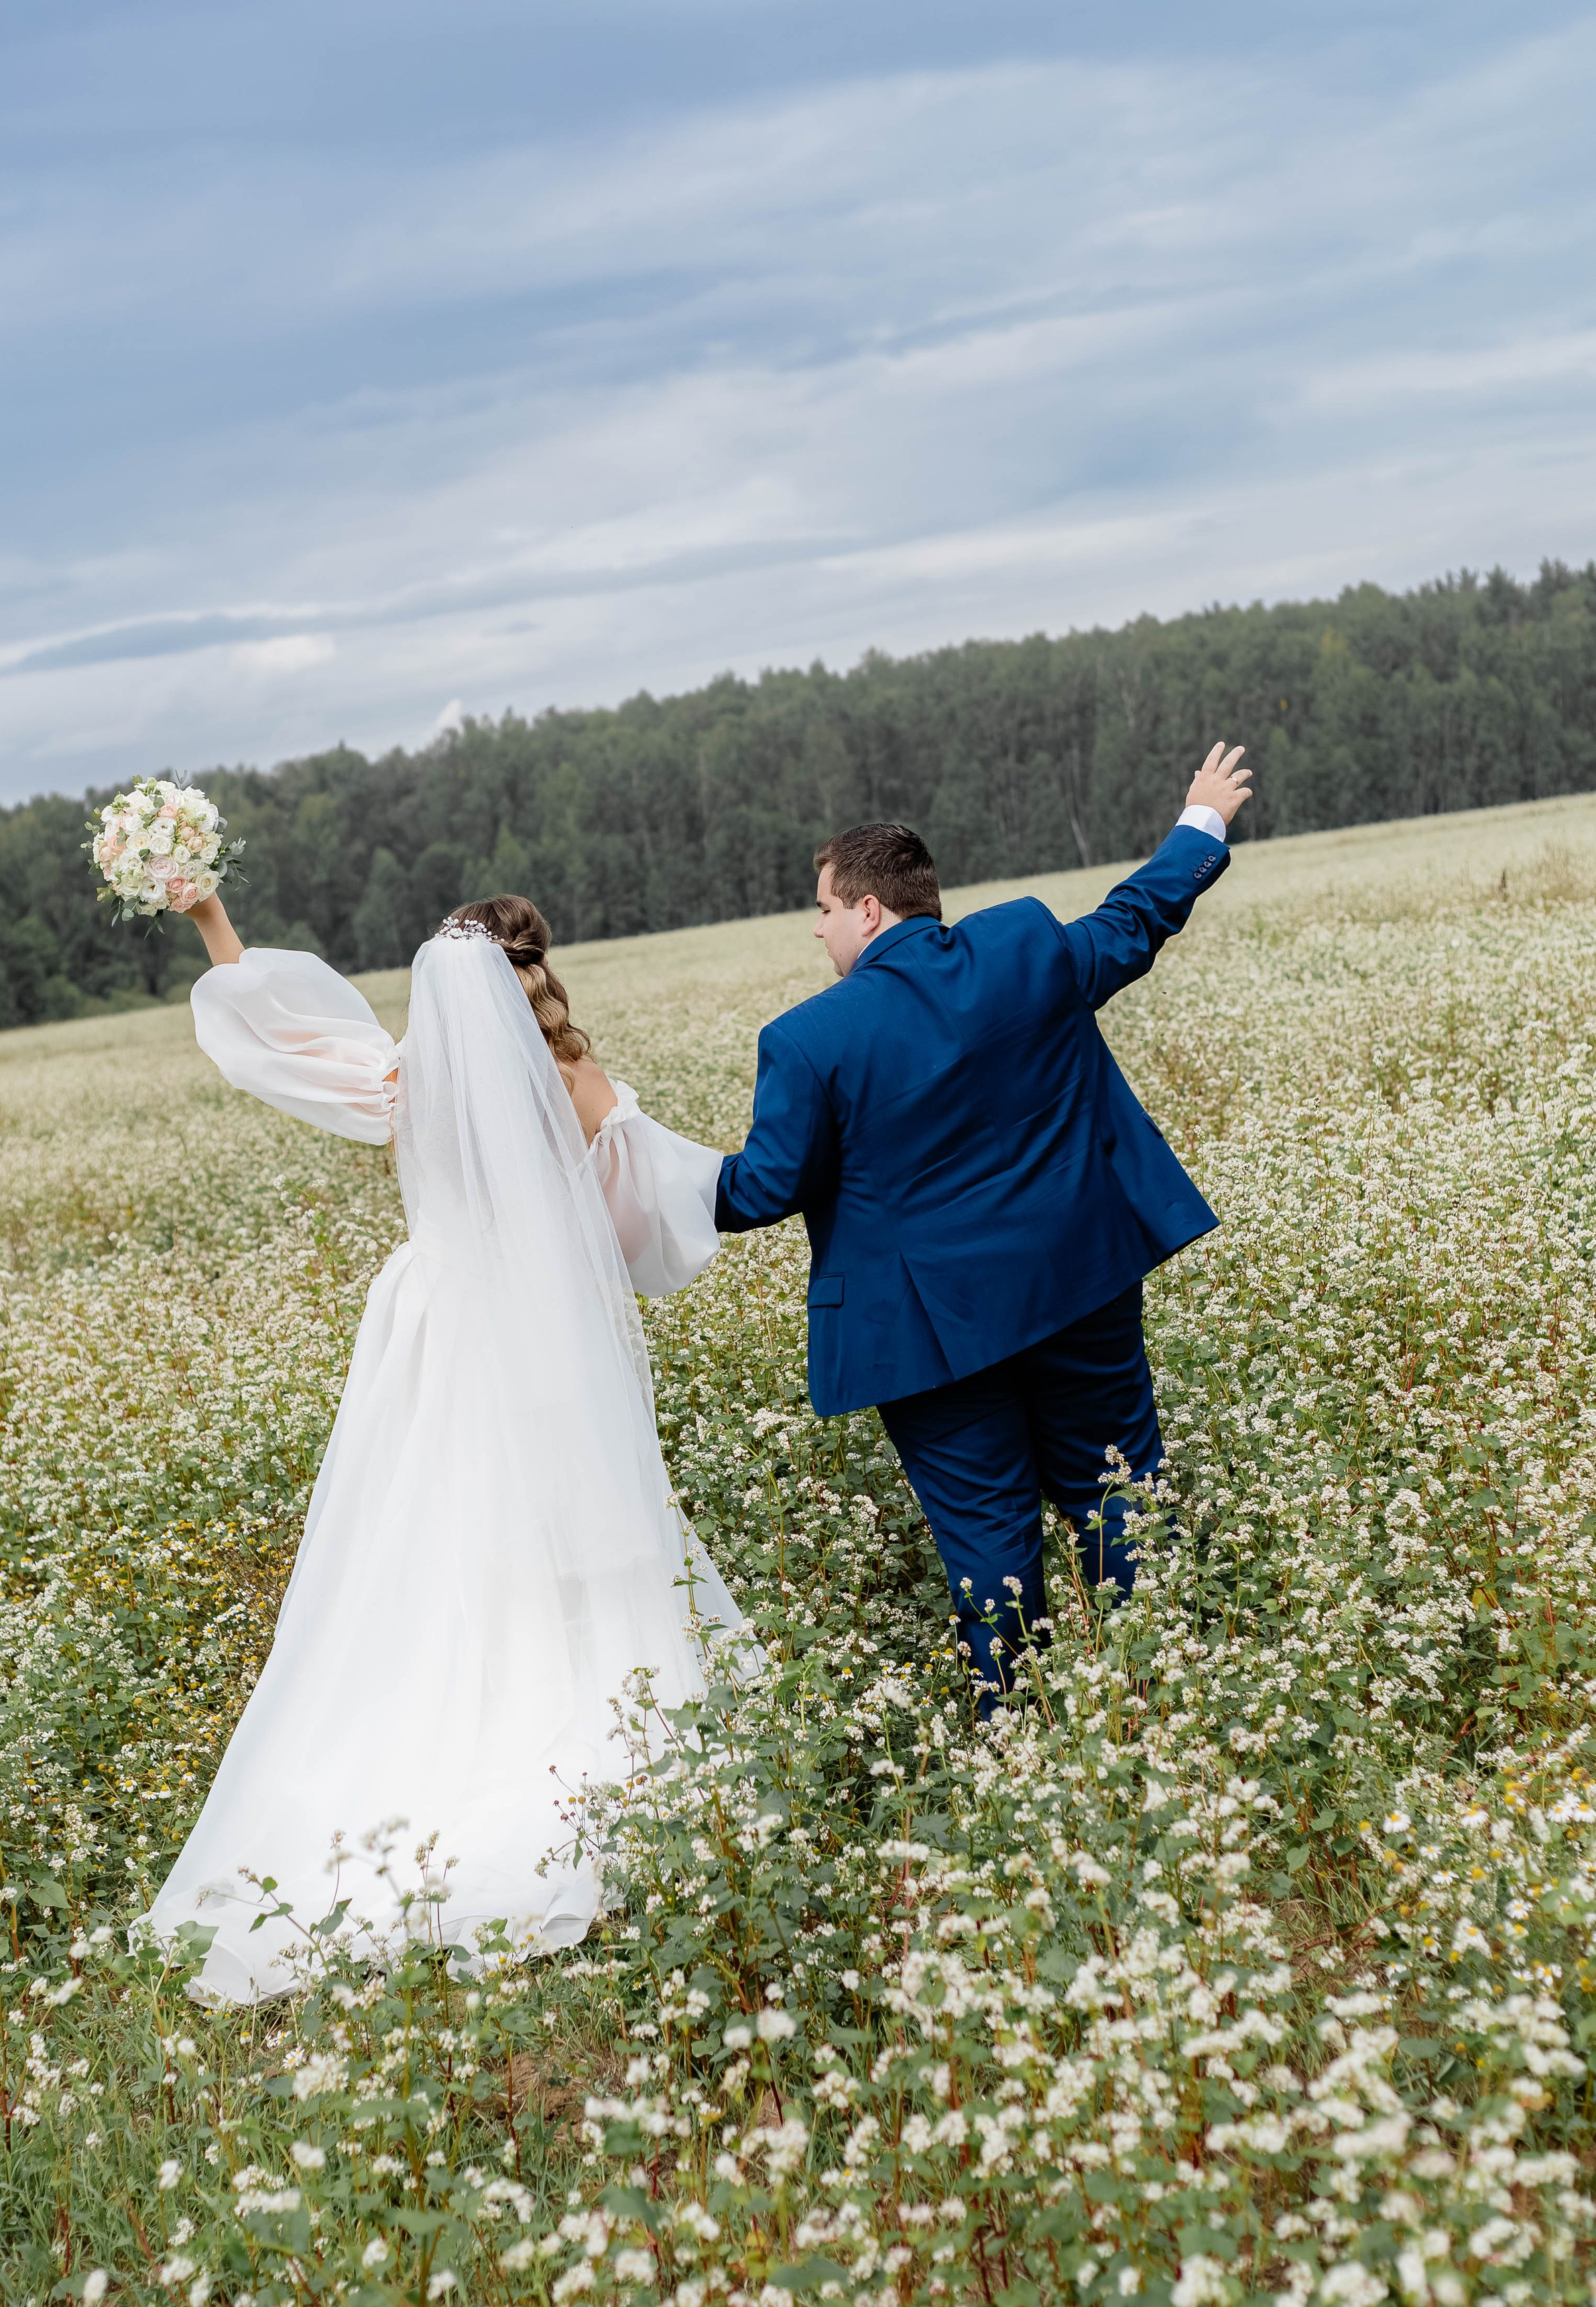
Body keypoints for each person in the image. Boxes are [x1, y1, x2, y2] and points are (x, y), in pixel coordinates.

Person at [139, 891, 747, 2002]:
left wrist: (212, 915)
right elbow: (644, 1231)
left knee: (433, 1526)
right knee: (575, 1521)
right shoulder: (576, 1085)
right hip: (543, 1327)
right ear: (536, 968)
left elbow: (277, 1039)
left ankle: (444, 1717)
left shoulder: (400, 1079)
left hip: (436, 1330)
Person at [714, 743, 1253, 1687]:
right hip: (1078, 1282)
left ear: (869, 910)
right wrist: (1199, 820)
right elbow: (1133, 922)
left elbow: (760, 1190)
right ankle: (1165, 1692)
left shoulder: (808, 1040)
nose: (818, 932)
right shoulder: (1022, 946)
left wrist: (632, 1169)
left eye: (824, 910)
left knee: (989, 1542)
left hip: (934, 1338)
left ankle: (1014, 1732)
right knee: (1118, 1493)